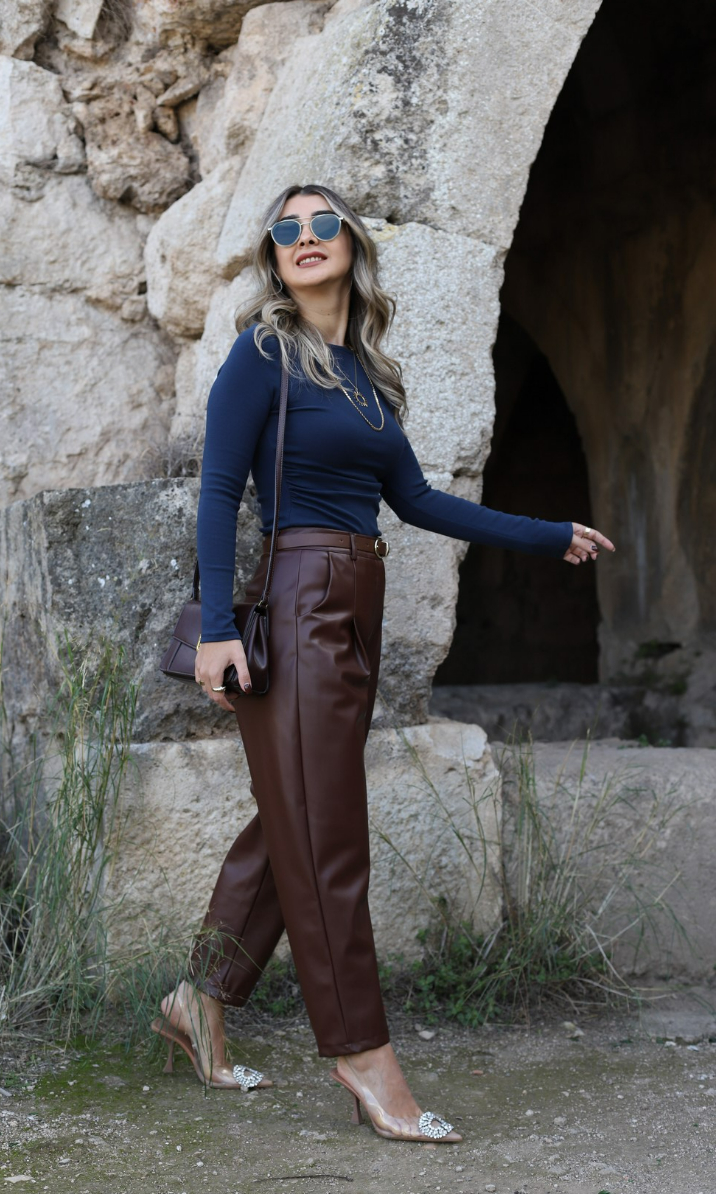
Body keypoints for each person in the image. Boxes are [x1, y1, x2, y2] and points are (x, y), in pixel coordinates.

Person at [151, 183, 615, 1142]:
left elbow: (418, 501)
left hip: (356, 606)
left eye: (323, 224)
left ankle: (200, 997)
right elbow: (219, 491)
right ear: (274, 258)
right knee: (326, 833)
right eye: (287, 229)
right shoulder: (264, 354)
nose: (305, 237)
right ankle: (360, 1052)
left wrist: (546, 535)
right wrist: (217, 630)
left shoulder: (363, 378)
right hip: (298, 598)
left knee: (297, 816)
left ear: (352, 246)